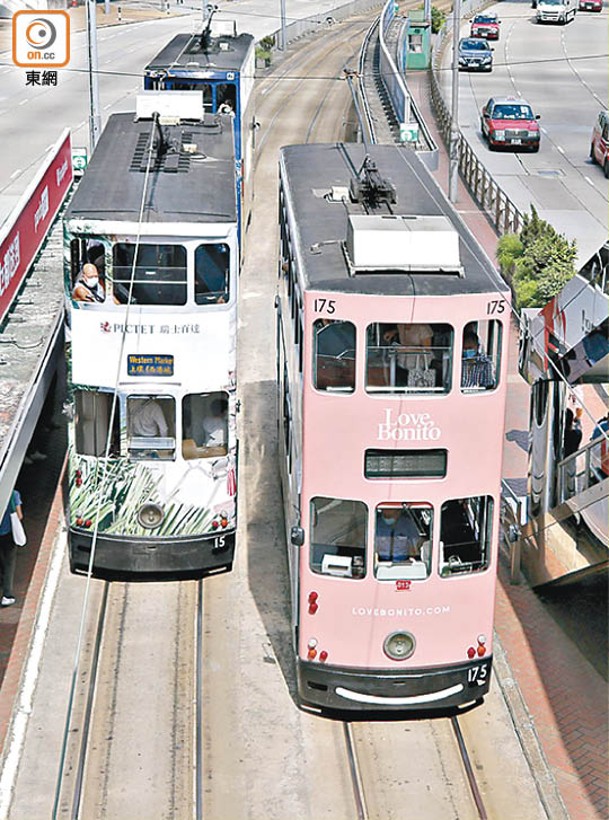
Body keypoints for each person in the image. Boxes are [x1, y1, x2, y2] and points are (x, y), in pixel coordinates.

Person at [0, 490, 23, 607]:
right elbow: (19, 515)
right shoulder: (14, 494)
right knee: (10, 563)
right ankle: (7, 595)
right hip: (8, 533)